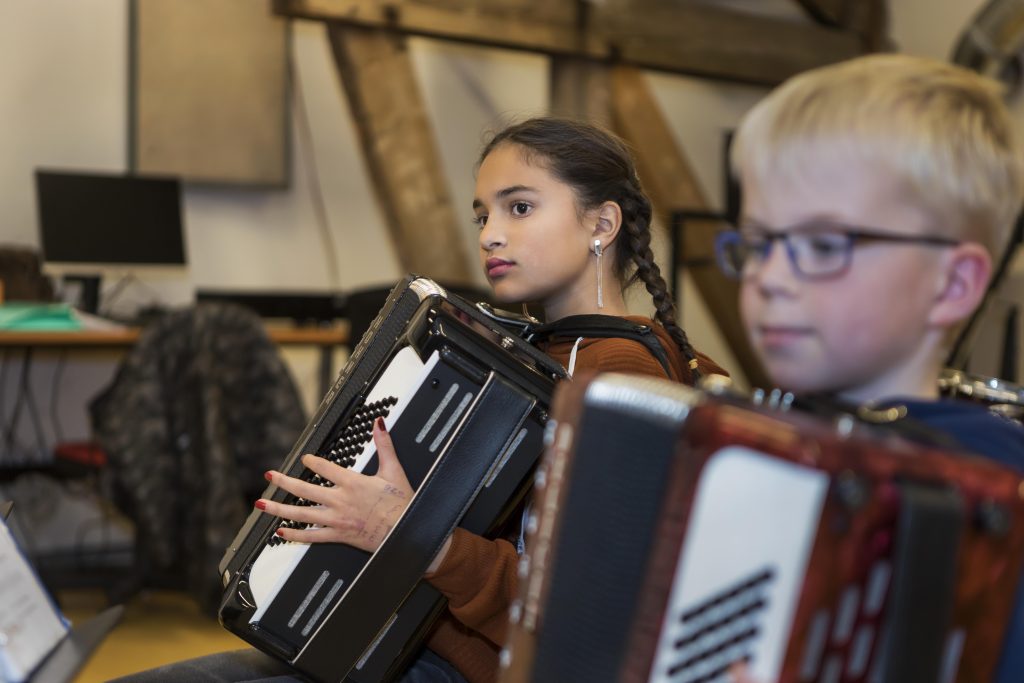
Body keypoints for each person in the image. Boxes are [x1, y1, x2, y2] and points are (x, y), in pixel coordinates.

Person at [113, 117, 725, 683]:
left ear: (602, 224)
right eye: (482, 215)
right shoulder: (545, 352)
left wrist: (410, 534)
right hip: (419, 642)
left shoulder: (622, 382)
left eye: (520, 207)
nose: (492, 235)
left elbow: (581, 614)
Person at [713, 53, 1024, 683]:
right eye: (760, 243)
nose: (769, 277)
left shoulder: (992, 491)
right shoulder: (750, 439)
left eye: (824, 245)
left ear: (952, 285)